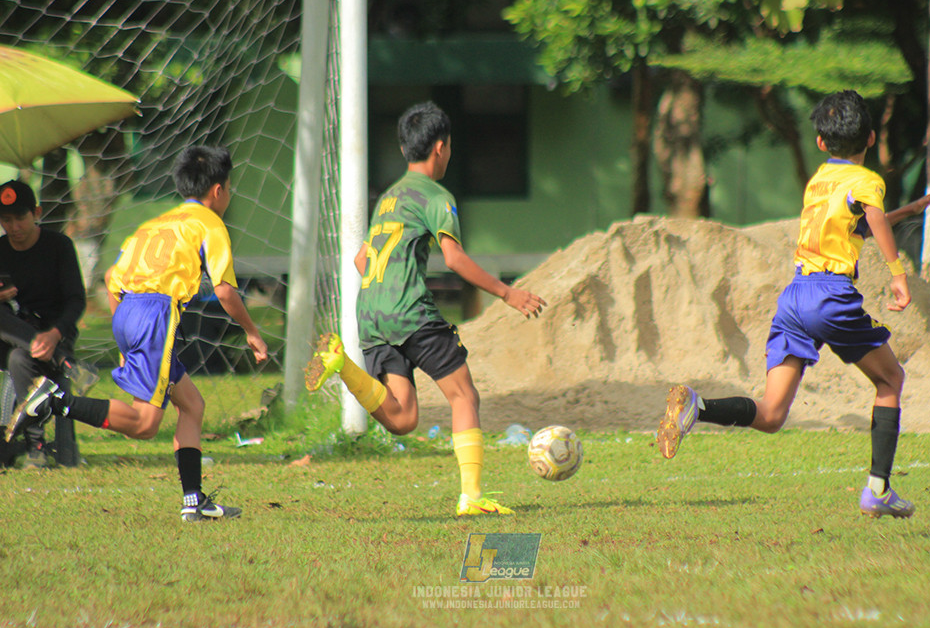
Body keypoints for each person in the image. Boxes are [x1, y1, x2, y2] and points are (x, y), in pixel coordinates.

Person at [656, 90, 930, 519]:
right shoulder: (869, 181)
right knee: (890, 380)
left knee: (772, 415)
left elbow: (859, 225)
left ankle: (698, 407)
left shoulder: (819, 181)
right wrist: (898, 277)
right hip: (831, 296)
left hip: (794, 296)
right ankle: (878, 490)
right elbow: (873, 219)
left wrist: (912, 208)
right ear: (871, 138)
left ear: (820, 144)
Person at [305, 101, 546, 516]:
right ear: (441, 148)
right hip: (408, 311)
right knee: (464, 395)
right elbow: (453, 258)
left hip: (371, 312)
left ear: (404, 150)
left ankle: (341, 364)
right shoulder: (437, 196)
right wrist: (508, 294)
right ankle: (471, 496)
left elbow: (362, 260)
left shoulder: (389, 198)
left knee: (402, 419)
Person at [5, 146, 268, 521]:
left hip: (128, 311)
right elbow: (225, 291)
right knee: (145, 424)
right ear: (219, 191)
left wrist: (127, 336)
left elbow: (112, 280)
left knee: (192, 404)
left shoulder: (156, 223)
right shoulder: (210, 223)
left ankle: (194, 501)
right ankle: (55, 401)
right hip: (156, 315)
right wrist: (253, 333)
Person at [0, 179, 96, 468]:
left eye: (20, 218)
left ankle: (35, 444)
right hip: (10, 334)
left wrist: (54, 336)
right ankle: (66, 364)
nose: (14, 227)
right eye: (6, 220)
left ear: (37, 213)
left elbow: (76, 300)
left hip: (55, 335)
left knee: (19, 359)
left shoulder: (59, 246)